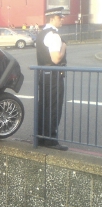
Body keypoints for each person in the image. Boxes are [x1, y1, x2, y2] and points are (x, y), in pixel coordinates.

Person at [36, 7, 68, 151]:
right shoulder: (54, 35)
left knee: (43, 106)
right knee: (54, 107)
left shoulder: (42, 33)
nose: (62, 19)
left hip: (43, 73)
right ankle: (51, 140)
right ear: (53, 18)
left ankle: (41, 137)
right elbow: (56, 58)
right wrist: (64, 48)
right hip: (54, 75)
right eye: (60, 17)